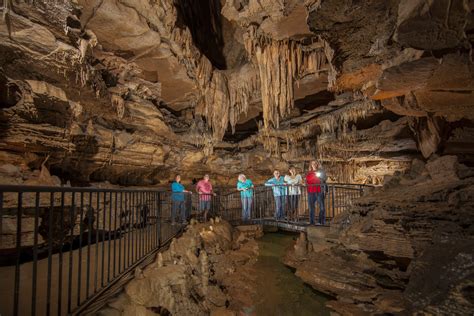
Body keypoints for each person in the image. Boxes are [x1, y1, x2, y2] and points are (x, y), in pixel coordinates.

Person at [306, 160, 327, 225]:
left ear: (317, 164)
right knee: (311, 207)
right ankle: (312, 222)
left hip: (319, 191)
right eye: (313, 163)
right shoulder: (309, 173)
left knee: (322, 207)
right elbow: (308, 181)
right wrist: (316, 178)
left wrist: (317, 178)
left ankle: (321, 222)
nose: (314, 164)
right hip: (311, 192)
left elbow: (324, 179)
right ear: (311, 165)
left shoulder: (321, 171)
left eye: (315, 163)